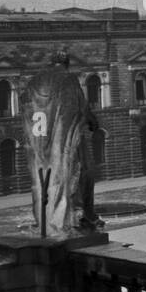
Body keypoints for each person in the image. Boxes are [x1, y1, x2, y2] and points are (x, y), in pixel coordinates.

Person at [23, 52, 99, 237]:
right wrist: (93, 122)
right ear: (66, 64)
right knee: (80, 174)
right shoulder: (68, 79)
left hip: (37, 141)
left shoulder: (34, 82)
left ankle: (44, 223)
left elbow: (24, 105)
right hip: (62, 140)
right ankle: (73, 220)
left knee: (41, 182)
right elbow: (82, 107)